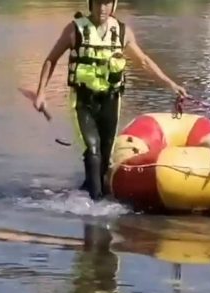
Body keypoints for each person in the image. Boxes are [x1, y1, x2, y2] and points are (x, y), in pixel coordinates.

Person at [33, 0, 188, 200]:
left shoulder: (123, 32)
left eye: (107, 3)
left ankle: (89, 190)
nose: (102, 9)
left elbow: (143, 62)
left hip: (110, 101)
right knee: (93, 150)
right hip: (83, 101)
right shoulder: (75, 30)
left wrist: (171, 84)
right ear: (91, 4)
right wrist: (41, 93)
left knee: (105, 157)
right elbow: (51, 59)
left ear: (113, 5)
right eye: (98, 3)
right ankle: (96, 207)